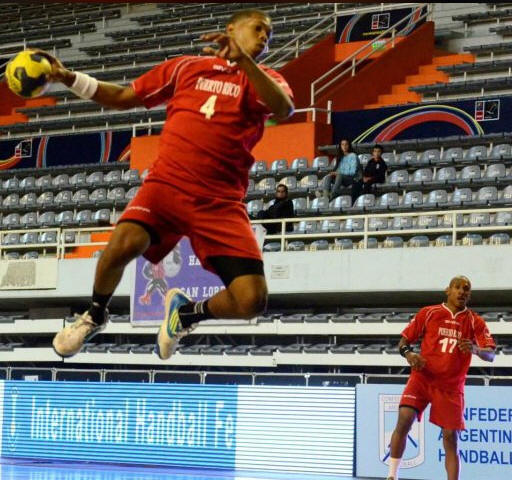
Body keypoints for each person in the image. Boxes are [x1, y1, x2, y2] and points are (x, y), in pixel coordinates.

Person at [47, 8, 294, 360]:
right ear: (231, 29)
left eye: (268, 34)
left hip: (219, 203)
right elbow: (122, 97)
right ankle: (95, 314)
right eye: (258, 29)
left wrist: (246, 65)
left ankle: (186, 313)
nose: (264, 37)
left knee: (252, 300)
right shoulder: (185, 68)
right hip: (167, 186)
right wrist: (69, 77)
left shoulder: (263, 79)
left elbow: (283, 109)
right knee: (120, 246)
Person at [386, 276, 496, 480]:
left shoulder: (474, 321)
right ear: (448, 290)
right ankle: (392, 475)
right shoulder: (429, 312)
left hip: (451, 387)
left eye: (466, 289)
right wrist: (410, 355)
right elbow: (403, 342)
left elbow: (491, 355)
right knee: (404, 419)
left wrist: (475, 349)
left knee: (450, 438)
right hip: (423, 378)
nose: (462, 291)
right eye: (458, 287)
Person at [321, 138, 362, 203]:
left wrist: (337, 173)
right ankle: (325, 197)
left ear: (349, 146)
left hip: (352, 179)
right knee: (328, 177)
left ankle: (332, 195)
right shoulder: (340, 157)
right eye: (342, 145)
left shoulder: (353, 156)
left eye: (346, 144)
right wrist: (333, 173)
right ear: (340, 146)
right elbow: (337, 170)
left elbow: (352, 172)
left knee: (339, 175)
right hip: (342, 179)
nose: (344, 146)